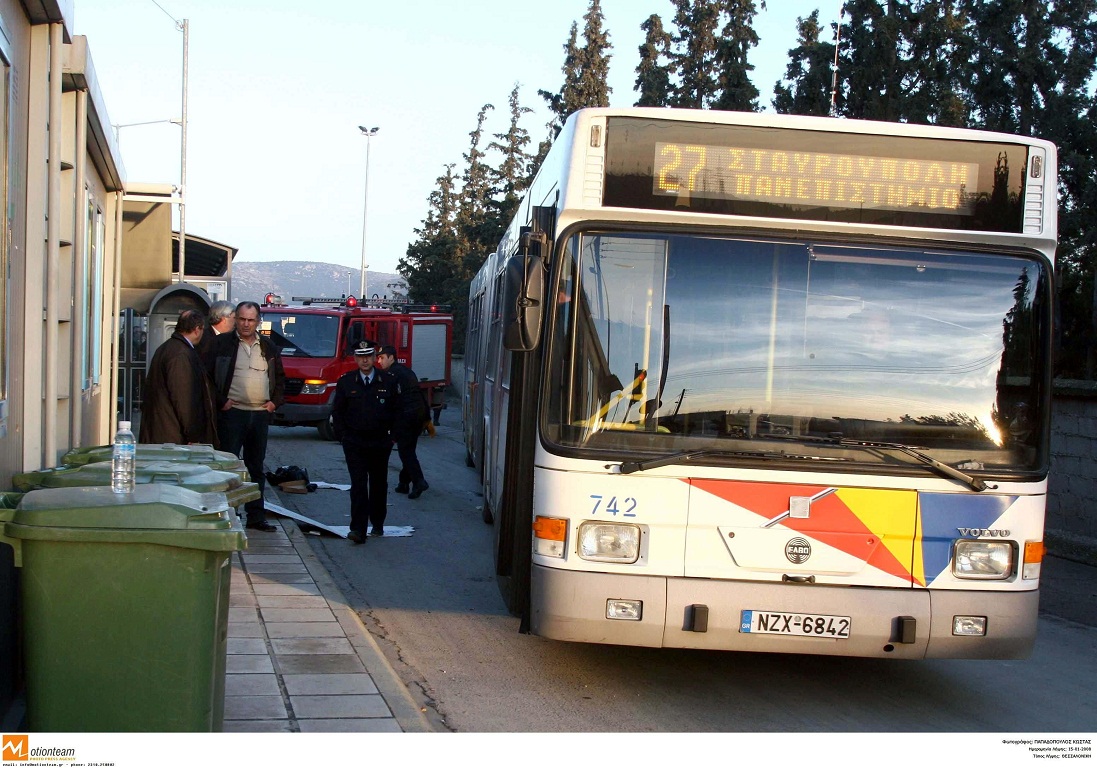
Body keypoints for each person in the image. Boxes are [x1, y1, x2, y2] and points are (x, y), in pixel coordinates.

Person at [209, 301, 286, 532]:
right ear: (235, 319)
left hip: (260, 415)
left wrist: (274, 403)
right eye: (242, 319)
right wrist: (221, 402)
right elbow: (207, 377)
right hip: (232, 414)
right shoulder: (222, 344)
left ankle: (256, 516)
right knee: (228, 465)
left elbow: (280, 379)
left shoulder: (269, 347)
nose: (246, 324)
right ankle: (227, 514)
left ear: (258, 321)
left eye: (251, 320)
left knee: (256, 467)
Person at [332, 340, 400, 543]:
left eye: (368, 356)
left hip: (380, 442)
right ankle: (358, 529)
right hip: (355, 442)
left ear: (374, 358)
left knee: (378, 484)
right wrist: (343, 437)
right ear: (355, 358)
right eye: (360, 357)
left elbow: (398, 411)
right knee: (358, 485)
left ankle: (377, 523)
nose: (364, 360)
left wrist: (392, 437)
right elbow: (338, 412)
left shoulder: (387, 380)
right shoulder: (346, 382)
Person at [139, 309, 218, 446]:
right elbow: (183, 398)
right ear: (197, 329)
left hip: (162, 429)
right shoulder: (180, 354)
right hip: (171, 435)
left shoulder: (167, 347)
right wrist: (193, 434)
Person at [376, 344, 429, 498]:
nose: (379, 361)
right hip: (419, 414)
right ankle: (403, 483)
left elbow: (392, 402)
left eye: (382, 358)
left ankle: (419, 481)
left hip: (407, 416)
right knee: (409, 449)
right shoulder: (407, 371)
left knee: (406, 452)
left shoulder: (390, 375)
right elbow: (419, 393)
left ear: (391, 357)